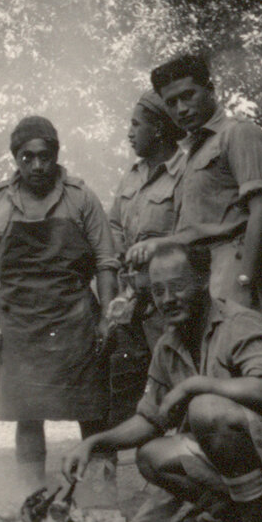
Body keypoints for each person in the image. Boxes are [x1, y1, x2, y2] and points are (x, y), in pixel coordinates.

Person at [63, 241, 262, 522]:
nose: (167, 299)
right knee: (151, 455)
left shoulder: (239, 323)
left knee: (205, 408)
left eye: (178, 286)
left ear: (203, 280)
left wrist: (193, 385)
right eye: (158, 291)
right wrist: (94, 443)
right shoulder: (168, 345)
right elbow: (150, 420)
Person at [0, 116, 117, 489]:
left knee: (92, 411)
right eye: (28, 157)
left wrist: (107, 318)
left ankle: (100, 496)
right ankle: (32, 497)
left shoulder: (80, 197)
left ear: (56, 155)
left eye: (45, 156)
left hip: (75, 320)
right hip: (19, 324)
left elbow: (106, 262)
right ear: (16, 158)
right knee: (27, 413)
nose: (37, 165)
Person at [129, 53, 262, 324]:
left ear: (210, 89)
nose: (181, 109)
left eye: (188, 95)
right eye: (171, 103)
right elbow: (199, 230)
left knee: (241, 345)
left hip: (235, 267)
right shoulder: (194, 152)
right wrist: (158, 244)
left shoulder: (238, 133)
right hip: (202, 276)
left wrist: (245, 281)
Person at [105, 90, 184, 423]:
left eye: (136, 125)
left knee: (175, 389)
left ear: (159, 129)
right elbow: (113, 224)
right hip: (132, 303)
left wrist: (157, 249)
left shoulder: (185, 173)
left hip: (170, 304)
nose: (129, 133)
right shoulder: (132, 175)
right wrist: (119, 253)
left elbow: (193, 233)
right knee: (126, 395)